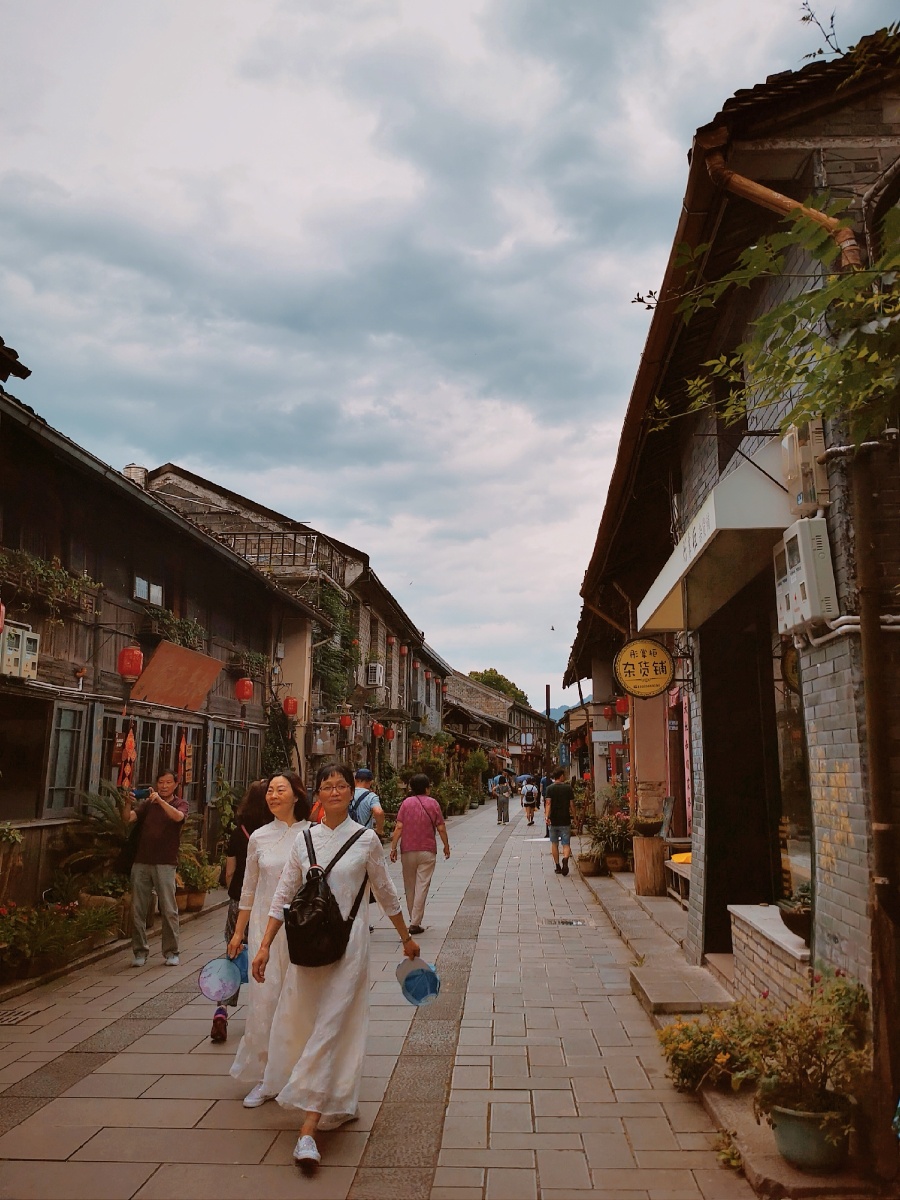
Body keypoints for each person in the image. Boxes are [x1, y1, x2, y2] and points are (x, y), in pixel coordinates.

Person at [250, 762, 420, 1171]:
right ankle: (338, 1096)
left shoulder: (366, 841)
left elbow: (386, 891)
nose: (335, 792)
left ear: (351, 792)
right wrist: (265, 944)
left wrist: (406, 938)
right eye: (326, 786)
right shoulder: (304, 839)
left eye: (341, 785)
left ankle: (308, 1130)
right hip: (307, 949)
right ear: (318, 795)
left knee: (331, 1025)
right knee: (307, 1020)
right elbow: (283, 895)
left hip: (350, 948)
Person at [228, 773, 309, 1104]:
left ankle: (299, 1071)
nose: (273, 796)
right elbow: (248, 889)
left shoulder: (312, 835)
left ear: (297, 795)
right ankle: (265, 1076)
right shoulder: (259, 838)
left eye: (281, 790)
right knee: (265, 999)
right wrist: (238, 933)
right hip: (265, 928)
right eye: (270, 791)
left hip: (302, 929)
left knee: (300, 997)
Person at [209, 780, 273, 1043]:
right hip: (267, 903)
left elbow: (230, 870)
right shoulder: (275, 831)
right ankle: (268, 1011)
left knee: (233, 951)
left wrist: (232, 888)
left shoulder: (240, 831)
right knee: (268, 952)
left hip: (239, 902)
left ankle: (222, 1008)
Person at [126, 769, 188, 967]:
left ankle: (171, 951)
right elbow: (127, 818)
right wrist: (128, 802)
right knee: (137, 908)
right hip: (141, 861)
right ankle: (139, 951)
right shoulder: (147, 805)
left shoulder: (180, 804)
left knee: (169, 909)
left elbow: (178, 817)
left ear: (175, 785)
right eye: (160, 782)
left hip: (166, 863)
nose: (163, 786)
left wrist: (160, 801)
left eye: (168, 782)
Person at [389, 773, 450, 935]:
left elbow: (399, 827)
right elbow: (441, 827)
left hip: (408, 850)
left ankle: (413, 918)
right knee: (422, 885)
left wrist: (393, 847)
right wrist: (446, 846)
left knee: (409, 886)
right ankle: (415, 922)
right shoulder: (433, 803)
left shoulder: (406, 803)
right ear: (426, 788)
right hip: (427, 850)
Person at [545, 768, 576, 876]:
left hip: (553, 820)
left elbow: (548, 803)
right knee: (566, 843)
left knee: (554, 843)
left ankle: (558, 866)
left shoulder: (549, 789)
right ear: (561, 776)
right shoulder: (568, 788)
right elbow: (572, 804)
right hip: (565, 819)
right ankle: (566, 859)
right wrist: (575, 817)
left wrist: (546, 816)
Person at [350, 768, 385, 835]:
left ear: (355, 780)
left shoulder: (347, 793)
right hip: (364, 836)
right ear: (370, 782)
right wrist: (379, 830)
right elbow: (379, 812)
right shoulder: (371, 796)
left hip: (347, 837)